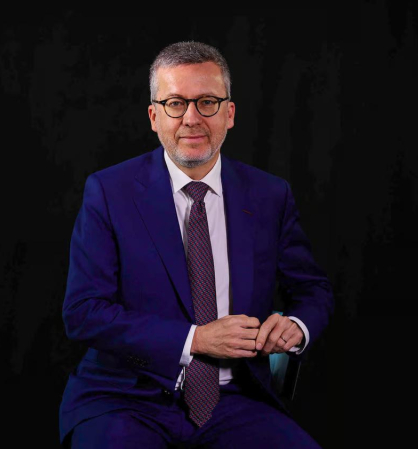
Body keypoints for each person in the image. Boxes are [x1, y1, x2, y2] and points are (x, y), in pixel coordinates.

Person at [59, 41, 333, 448]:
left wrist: (297, 325)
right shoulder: (109, 192)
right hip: (126, 399)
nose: (191, 118)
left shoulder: (269, 195)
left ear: (229, 113)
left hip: (236, 400)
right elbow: (83, 312)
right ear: (154, 116)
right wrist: (195, 340)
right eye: (175, 103)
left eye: (207, 102)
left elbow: (312, 290)